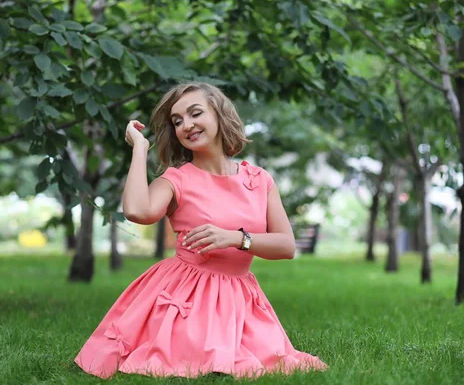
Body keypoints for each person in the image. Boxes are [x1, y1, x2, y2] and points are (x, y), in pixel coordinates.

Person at [74, 82, 328, 379]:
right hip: (187, 295)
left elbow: (286, 246)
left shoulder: (259, 180)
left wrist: (236, 238)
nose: (187, 125)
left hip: (240, 297)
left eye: (195, 113)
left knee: (266, 365)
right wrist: (141, 149)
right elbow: (138, 211)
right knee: (195, 363)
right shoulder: (176, 179)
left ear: (220, 115)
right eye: (177, 121)